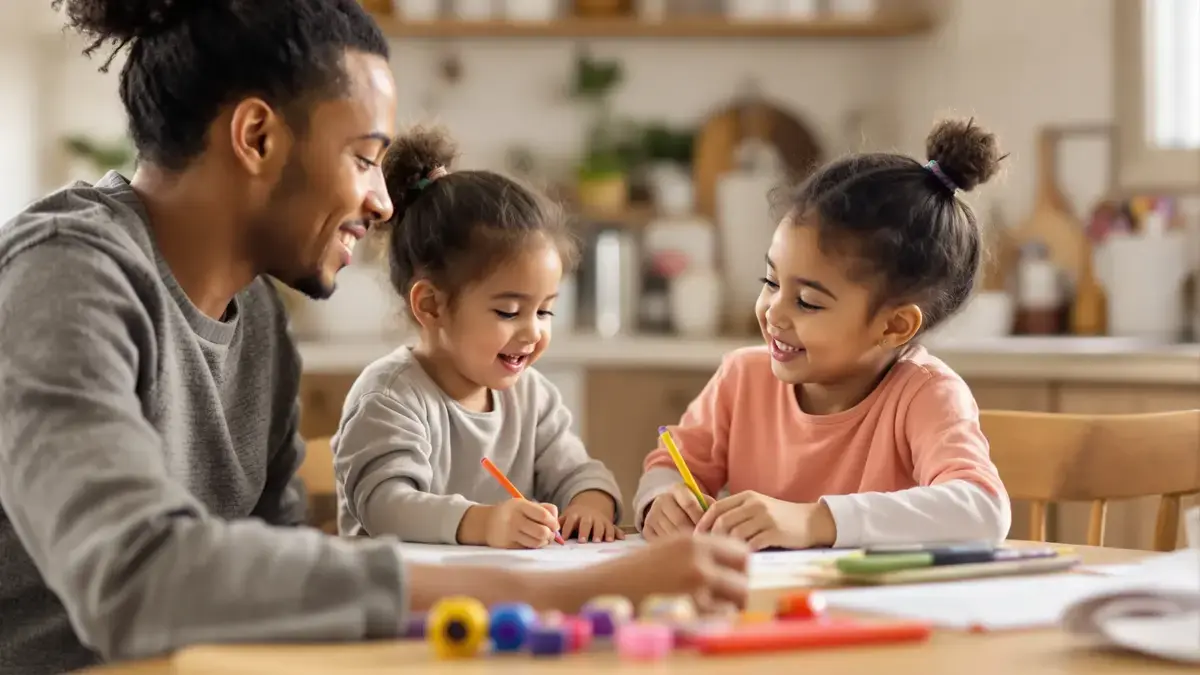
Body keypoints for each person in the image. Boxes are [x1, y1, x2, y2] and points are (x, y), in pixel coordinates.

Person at [0, 1, 749, 673]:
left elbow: (279, 576)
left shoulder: (254, 311)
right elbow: (134, 577)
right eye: (363, 157)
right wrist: (563, 587)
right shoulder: (65, 276)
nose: (384, 202)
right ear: (256, 136)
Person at [635, 119, 1013, 550]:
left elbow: (982, 508)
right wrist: (661, 498)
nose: (773, 312)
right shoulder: (741, 378)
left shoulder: (925, 395)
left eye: (808, 302)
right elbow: (670, 464)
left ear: (894, 326)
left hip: (877, 611)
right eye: (772, 282)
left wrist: (815, 521)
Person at [332, 127, 623, 548]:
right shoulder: (388, 398)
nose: (533, 331)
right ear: (431, 305)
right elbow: (386, 506)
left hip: (501, 601)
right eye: (508, 311)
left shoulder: (532, 398)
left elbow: (580, 472)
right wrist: (484, 524)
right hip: (405, 603)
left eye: (544, 311)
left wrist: (589, 506)